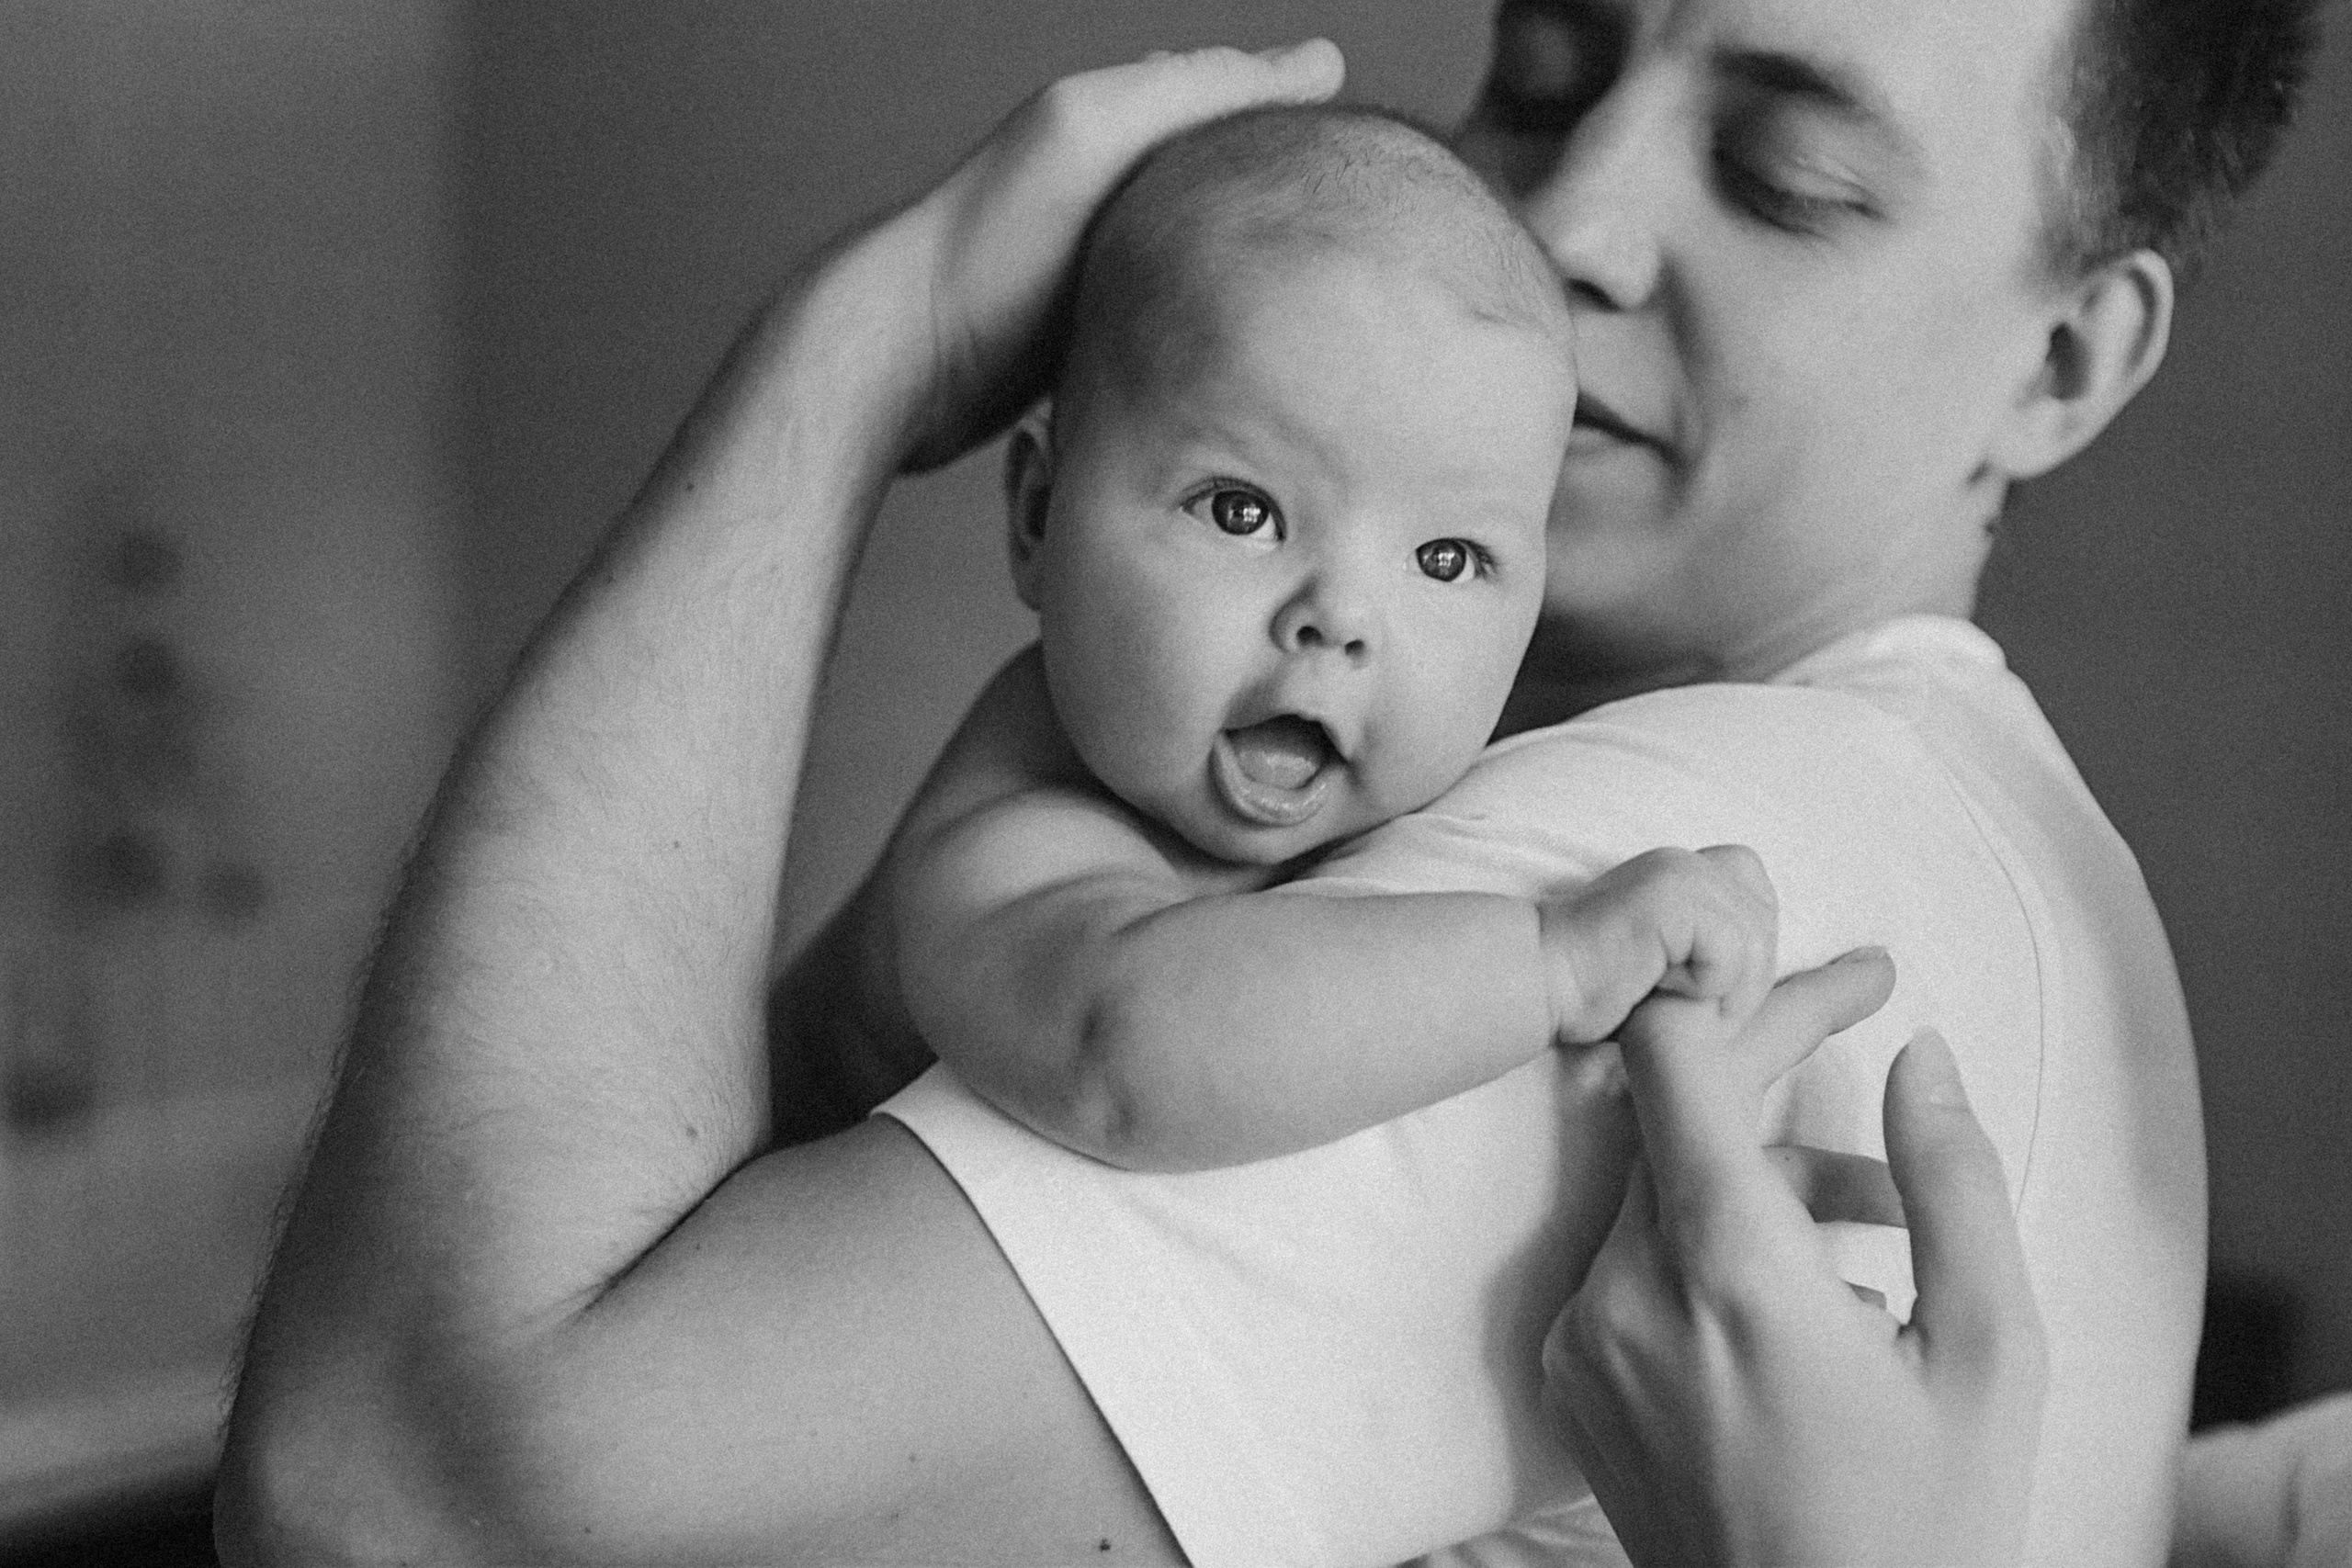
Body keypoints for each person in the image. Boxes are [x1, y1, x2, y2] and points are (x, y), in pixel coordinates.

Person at [213, 0, 2319, 1563]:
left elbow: (393, 1486)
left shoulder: (1674, 865)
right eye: (1546, 64)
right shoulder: (1935, 811)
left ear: (2063, 360)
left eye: (1781, 176)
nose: (1563, 215)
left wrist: (848, 363)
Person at [897, 103, 1781, 1173]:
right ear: (1039, 514)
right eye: (1240, 511)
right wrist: (1555, 964)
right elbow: (1127, 1054)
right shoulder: (1017, 830)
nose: (1342, 618)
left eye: (1446, 560)